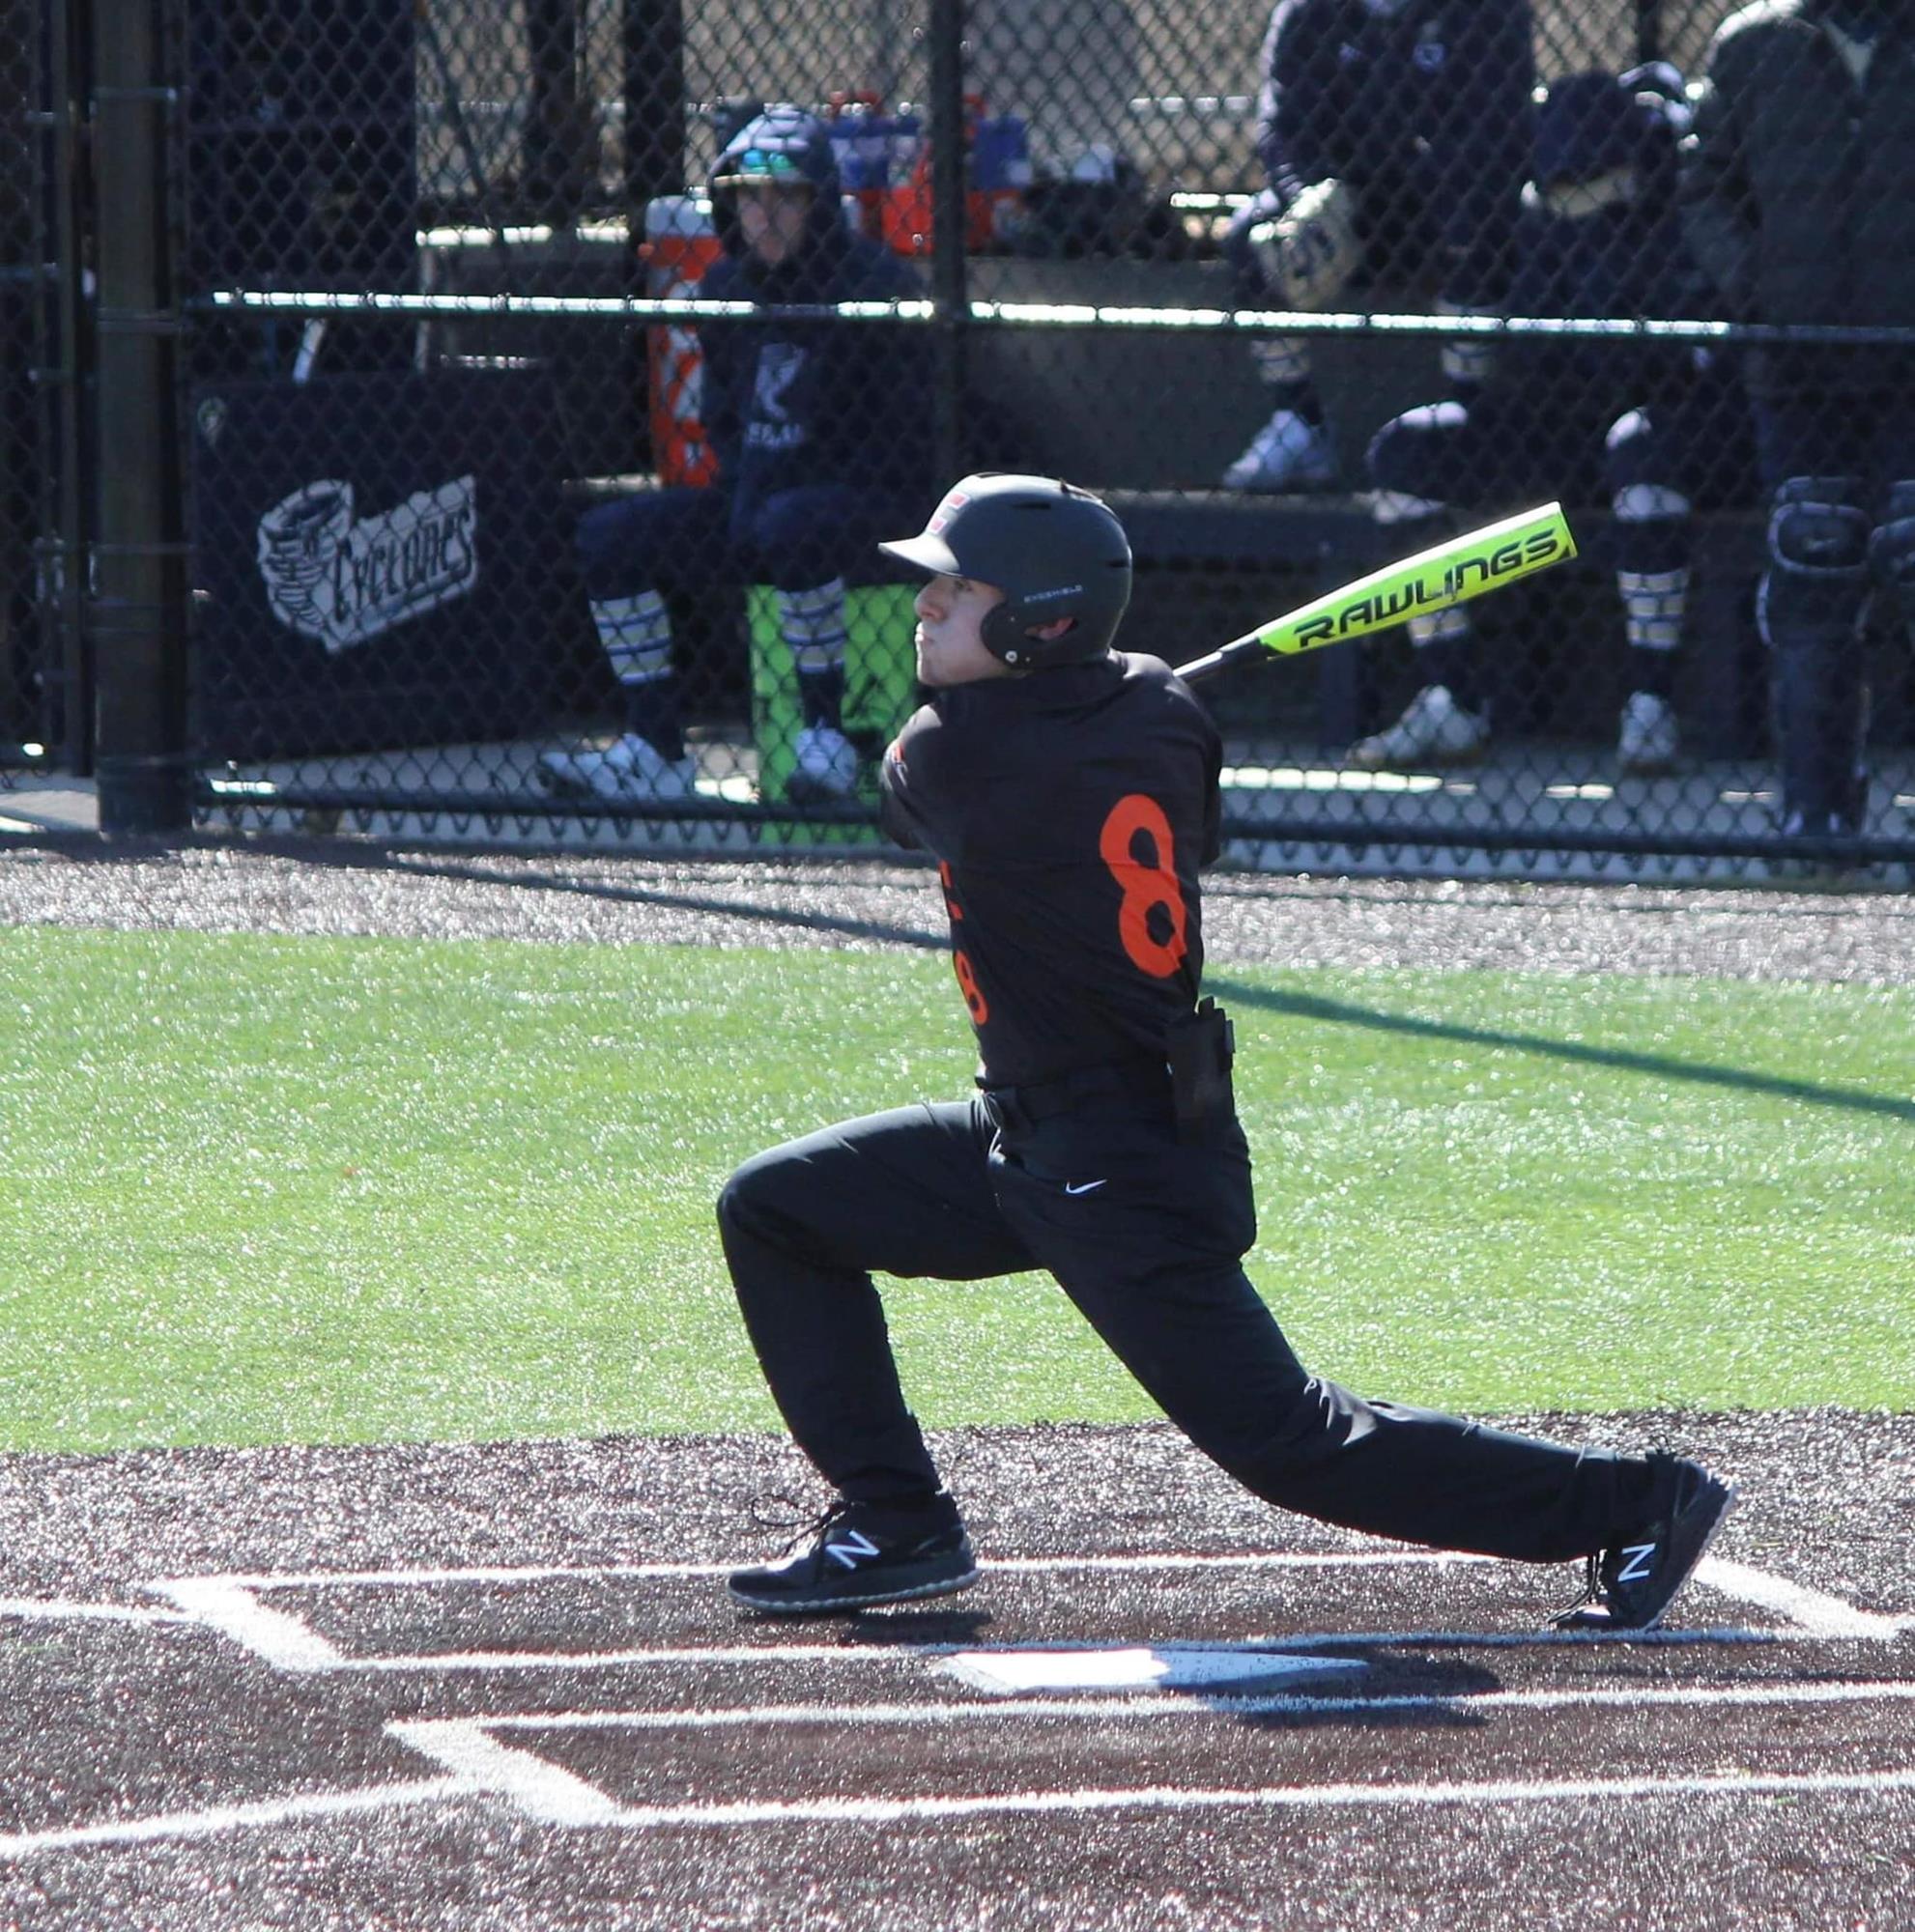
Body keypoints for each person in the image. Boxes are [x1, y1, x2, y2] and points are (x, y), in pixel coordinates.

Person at [716, 469, 1734, 1629]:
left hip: (1116, 1163)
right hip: (1042, 1128)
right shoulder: (1162, 719)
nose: (926, 606)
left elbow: (904, 795)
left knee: (1292, 1444)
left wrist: (1084, 699)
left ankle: (1635, 1501)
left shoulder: (957, 759)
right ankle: (894, 1520)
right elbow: (1154, 764)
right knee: (776, 1207)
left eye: (957, 586)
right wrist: (1113, 690)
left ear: (1038, 623)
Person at [1349, 69, 1752, 775]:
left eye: (1587, 182)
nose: (1570, 197)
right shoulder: (1526, 206)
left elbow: (1693, 363)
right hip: (1551, 426)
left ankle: (1650, 706)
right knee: (1404, 451)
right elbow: (1485, 354)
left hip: (1668, 433)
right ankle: (1455, 697)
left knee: (1641, 448)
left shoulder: (1683, 195)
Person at [540, 104, 930, 806]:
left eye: (787, 196)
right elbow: (724, 423)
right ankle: (656, 749)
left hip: (866, 511)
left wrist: (788, 497)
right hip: (757, 507)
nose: (766, 214)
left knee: (793, 525)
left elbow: (904, 439)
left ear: (821, 201)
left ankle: (826, 737)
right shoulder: (723, 288)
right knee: (608, 538)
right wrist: (748, 496)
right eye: (750, 196)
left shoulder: (878, 284)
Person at [1680, 0, 1915, 838]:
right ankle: (1815, 816)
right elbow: (1705, 185)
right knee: (1813, 570)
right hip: (1796, 367)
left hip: (1909, 366)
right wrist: (1756, 287)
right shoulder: (1755, 44)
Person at [1220, 0, 1535, 492]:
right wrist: (1310, 199)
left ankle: (1468, 413)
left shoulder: (1487, 10)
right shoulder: (1310, 12)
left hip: (1446, 200)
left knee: (1473, 215)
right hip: (1348, 208)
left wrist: (1438, 180)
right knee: (1249, 237)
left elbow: (1501, 126)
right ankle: (1299, 423)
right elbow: (1282, 126)